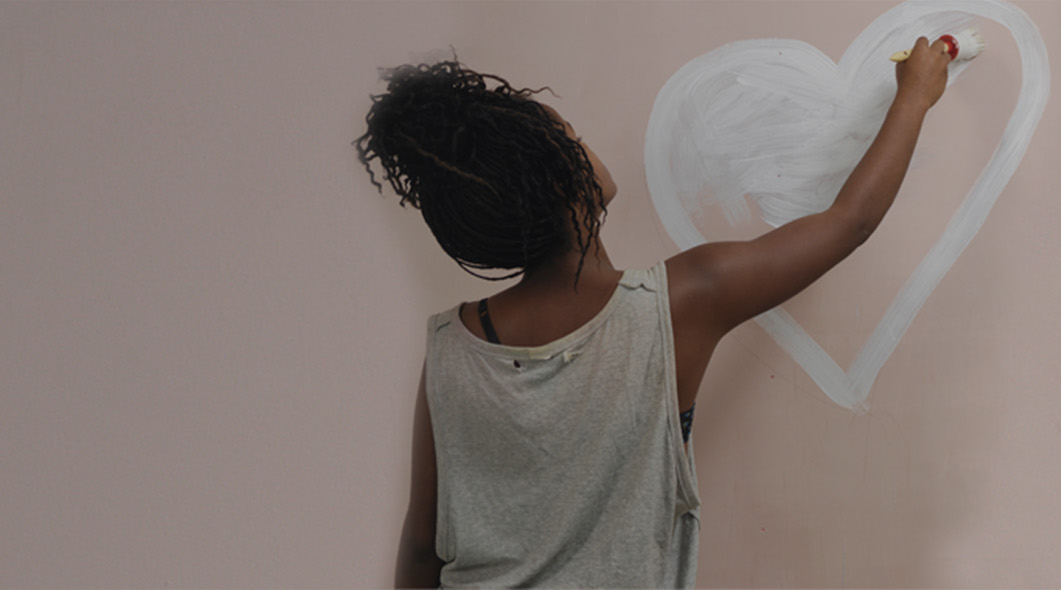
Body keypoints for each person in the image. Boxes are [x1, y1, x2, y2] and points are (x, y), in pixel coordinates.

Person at [356, 35, 955, 588]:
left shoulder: (451, 348)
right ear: (561, 176)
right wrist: (916, 97)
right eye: (573, 136)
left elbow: (419, 548)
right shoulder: (679, 302)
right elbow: (849, 222)